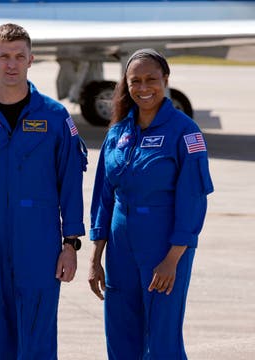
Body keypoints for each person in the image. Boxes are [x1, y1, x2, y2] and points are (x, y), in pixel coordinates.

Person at [0, 23, 88, 359]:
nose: (11, 64)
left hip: (38, 243)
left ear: (30, 60)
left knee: (38, 336)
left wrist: (71, 245)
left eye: (19, 57)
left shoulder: (55, 117)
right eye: (4, 56)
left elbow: (70, 183)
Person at [88, 48, 214, 359]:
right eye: (135, 81)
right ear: (126, 85)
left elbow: (193, 199)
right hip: (120, 247)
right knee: (120, 333)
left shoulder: (185, 132)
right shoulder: (118, 132)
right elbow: (104, 197)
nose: (144, 88)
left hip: (163, 246)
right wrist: (95, 257)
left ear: (166, 80)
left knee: (162, 338)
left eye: (151, 80)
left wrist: (173, 258)